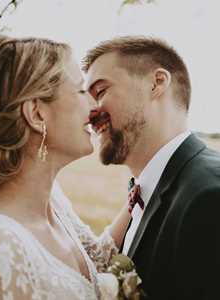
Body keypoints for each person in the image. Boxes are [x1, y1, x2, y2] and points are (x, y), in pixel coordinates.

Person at [0, 35, 131, 300]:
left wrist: (144, 187)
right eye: (79, 90)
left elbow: (96, 262)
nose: (93, 104)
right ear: (37, 114)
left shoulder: (54, 202)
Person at [83, 36, 220, 300]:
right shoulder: (141, 193)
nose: (89, 113)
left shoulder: (210, 197)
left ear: (156, 83)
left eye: (100, 92)